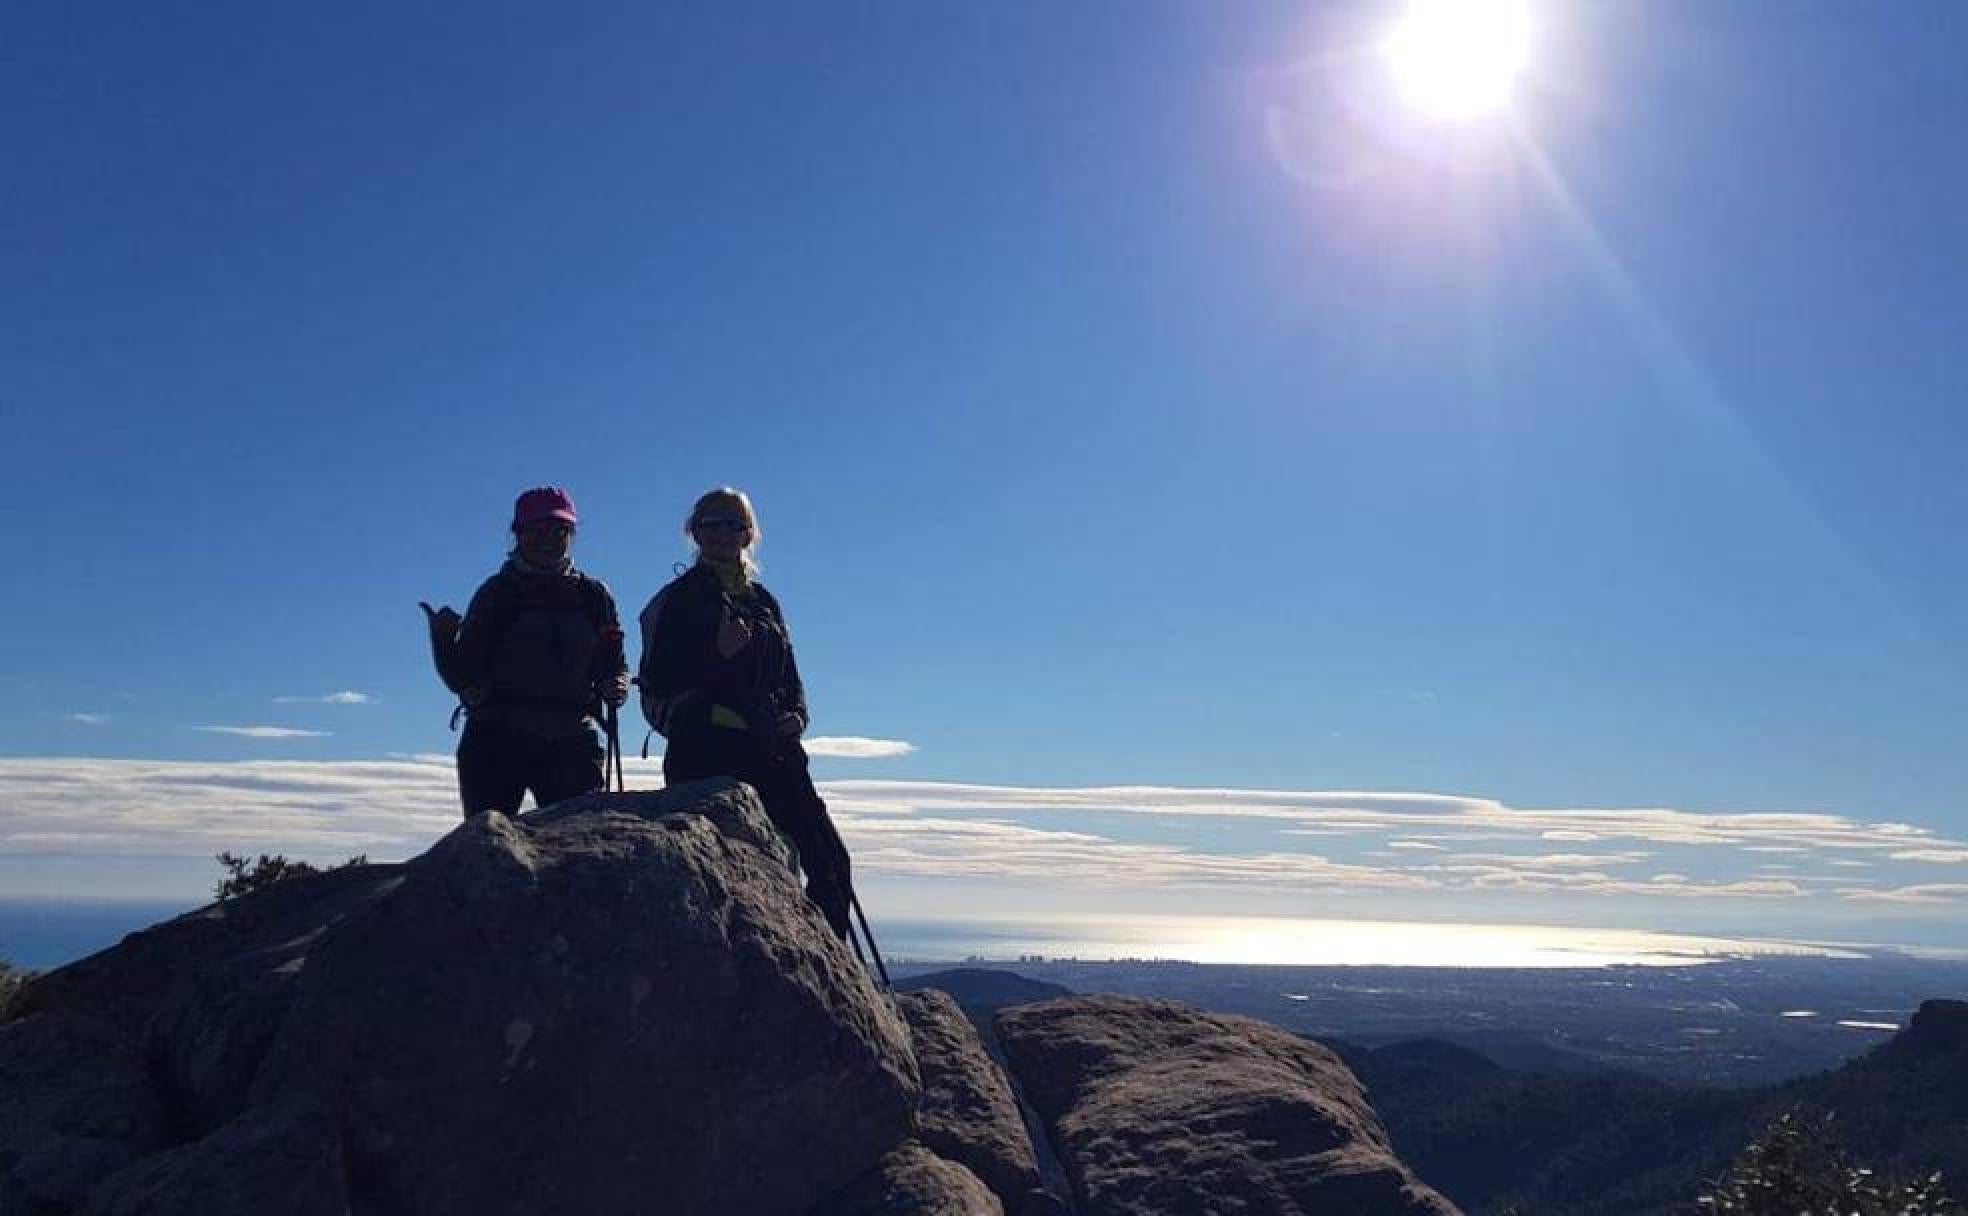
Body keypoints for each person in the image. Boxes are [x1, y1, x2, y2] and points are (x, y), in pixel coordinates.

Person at [638, 487, 852, 938]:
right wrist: (717, 655)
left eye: (733, 524)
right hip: (706, 749)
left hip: (772, 749)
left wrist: (797, 715)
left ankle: (822, 973)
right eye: (711, 523)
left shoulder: (763, 602)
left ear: (748, 534)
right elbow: (658, 680)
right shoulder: (678, 601)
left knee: (831, 863)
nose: (722, 532)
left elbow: (789, 676)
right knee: (718, 874)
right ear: (694, 532)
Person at [422, 486, 630, 817]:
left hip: (571, 737)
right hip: (498, 738)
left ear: (571, 535)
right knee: (489, 850)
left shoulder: (593, 595)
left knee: (580, 850)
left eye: (558, 530)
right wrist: (442, 640)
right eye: (536, 530)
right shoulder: (497, 594)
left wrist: (616, 684)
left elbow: (613, 664)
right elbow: (463, 678)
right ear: (517, 534)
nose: (547, 539)